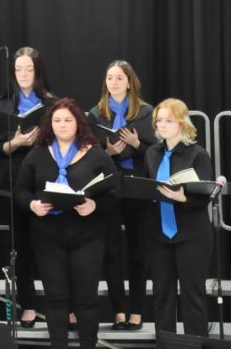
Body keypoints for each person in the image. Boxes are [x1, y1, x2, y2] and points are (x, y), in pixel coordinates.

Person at [14, 98, 117, 349]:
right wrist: (32, 205)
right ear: (50, 123)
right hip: (48, 236)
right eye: (57, 120)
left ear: (78, 122)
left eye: (68, 120)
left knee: (86, 299)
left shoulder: (97, 154)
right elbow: (20, 189)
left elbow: (115, 193)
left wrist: (95, 205)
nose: (62, 125)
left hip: (87, 236)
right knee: (56, 298)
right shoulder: (37, 154)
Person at [0, 46, 55, 327]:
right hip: (15, 184)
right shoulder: (2, 105)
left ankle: (58, 305)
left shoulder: (52, 104)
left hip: (48, 182)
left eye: (29, 69)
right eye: (18, 69)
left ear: (38, 72)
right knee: (22, 248)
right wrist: (17, 143)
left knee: (51, 247)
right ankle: (28, 304)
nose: (23, 74)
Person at [87, 60, 155, 330]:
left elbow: (155, 153)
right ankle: (119, 311)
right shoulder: (96, 113)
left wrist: (137, 144)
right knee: (112, 250)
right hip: (109, 185)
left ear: (129, 81)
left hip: (137, 184)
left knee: (138, 251)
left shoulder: (145, 112)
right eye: (109, 78)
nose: (113, 83)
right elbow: (89, 154)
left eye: (118, 78)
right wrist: (109, 153)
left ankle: (137, 311)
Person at [146, 98, 214, 336]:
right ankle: (165, 343)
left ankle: (196, 344)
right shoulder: (152, 153)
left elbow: (205, 194)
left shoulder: (197, 154)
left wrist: (183, 198)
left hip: (191, 235)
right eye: (158, 120)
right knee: (161, 296)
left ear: (182, 123)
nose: (161, 125)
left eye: (168, 120)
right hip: (158, 235)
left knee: (192, 296)